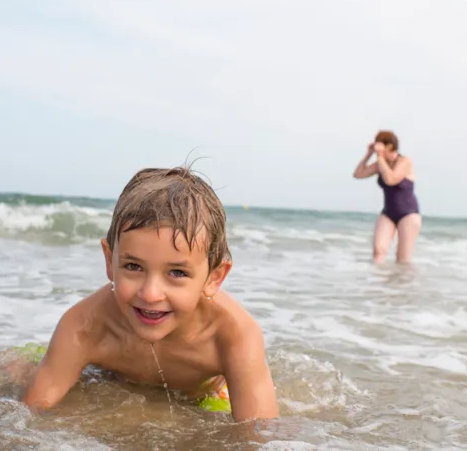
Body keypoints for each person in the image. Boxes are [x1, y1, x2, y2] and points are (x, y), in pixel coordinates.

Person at [17, 166, 279, 422]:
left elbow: (260, 435)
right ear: (110, 261)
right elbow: (30, 416)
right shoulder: (83, 327)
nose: (151, 294)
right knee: (14, 370)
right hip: (113, 381)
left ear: (214, 278)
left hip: (200, 395)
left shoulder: (233, 336)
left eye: (177, 273)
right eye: (133, 266)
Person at [352, 130, 421, 264]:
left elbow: (391, 179)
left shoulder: (405, 161)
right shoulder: (380, 164)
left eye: (379, 145)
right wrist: (369, 154)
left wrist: (379, 157)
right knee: (378, 252)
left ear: (389, 146)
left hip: (408, 214)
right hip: (388, 213)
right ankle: (378, 284)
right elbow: (358, 174)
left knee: (402, 259)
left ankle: (402, 284)